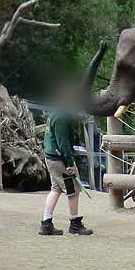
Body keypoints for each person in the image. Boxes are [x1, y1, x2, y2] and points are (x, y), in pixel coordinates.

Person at [40, 99, 93, 236]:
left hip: (51, 157)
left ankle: (46, 223)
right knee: (73, 189)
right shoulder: (62, 117)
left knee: (56, 188)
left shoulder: (56, 112)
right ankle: (74, 223)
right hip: (60, 159)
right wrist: (69, 163)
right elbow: (63, 142)